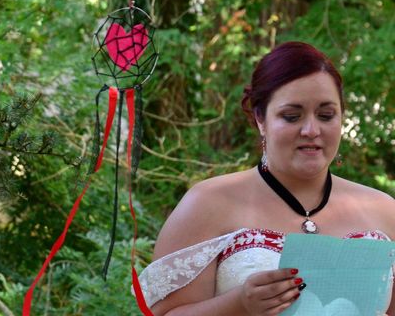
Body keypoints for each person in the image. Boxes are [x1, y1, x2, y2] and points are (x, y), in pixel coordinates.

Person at [137, 41, 395, 315]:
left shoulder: (383, 209)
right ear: (261, 119)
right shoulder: (207, 203)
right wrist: (238, 304)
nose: (311, 129)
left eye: (326, 115)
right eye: (292, 116)